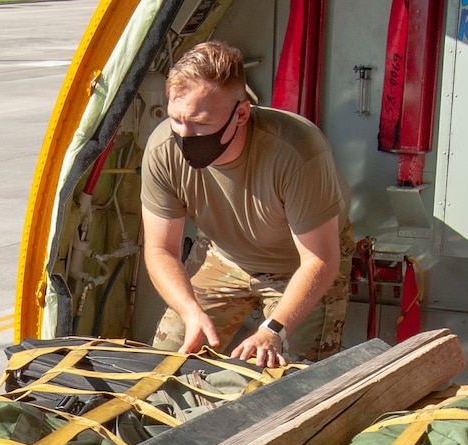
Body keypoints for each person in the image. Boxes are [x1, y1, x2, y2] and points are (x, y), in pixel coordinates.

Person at [141, 40, 353, 369]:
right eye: (176, 120)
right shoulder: (162, 149)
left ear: (240, 114)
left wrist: (274, 329)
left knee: (300, 385)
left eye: (201, 123)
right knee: (166, 363)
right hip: (223, 257)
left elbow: (320, 260)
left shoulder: (296, 151)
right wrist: (189, 309)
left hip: (298, 268)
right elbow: (160, 250)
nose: (185, 135)